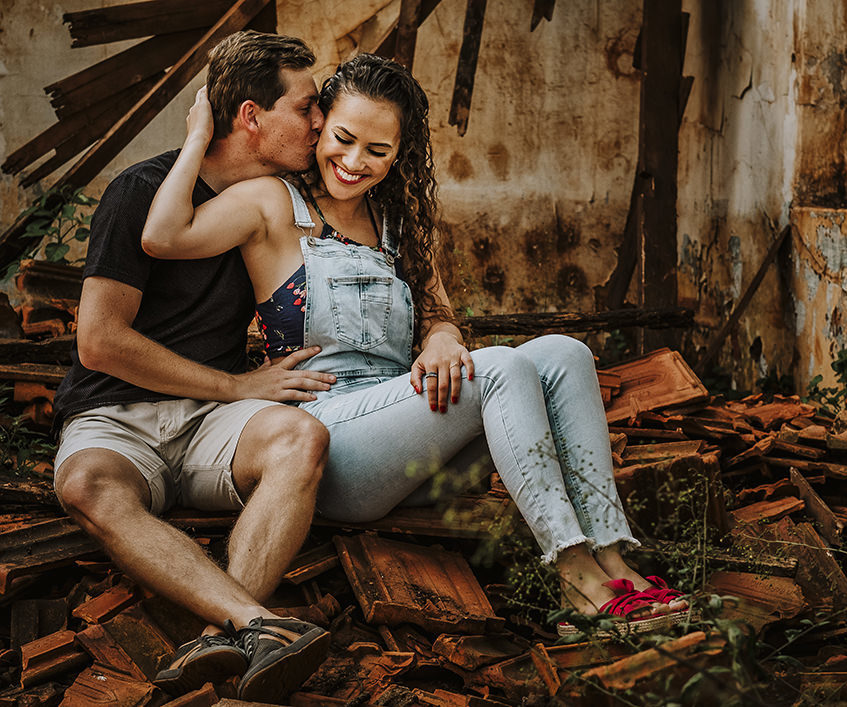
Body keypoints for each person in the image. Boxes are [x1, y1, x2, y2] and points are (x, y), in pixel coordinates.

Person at [142, 53, 691, 635]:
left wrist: (442, 339)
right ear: (320, 124)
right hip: (332, 445)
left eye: (377, 151)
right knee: (501, 368)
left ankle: (614, 559)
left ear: (400, 153)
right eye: (343, 139)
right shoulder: (272, 203)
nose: (354, 162)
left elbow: (439, 315)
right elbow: (163, 235)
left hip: (407, 438)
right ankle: (575, 577)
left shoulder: (399, 221)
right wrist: (197, 136)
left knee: (565, 353)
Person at [51, 31, 336, 699]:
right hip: (115, 414)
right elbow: (100, 341)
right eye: (305, 107)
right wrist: (236, 384)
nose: (319, 122)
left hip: (213, 423)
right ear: (250, 116)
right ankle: (261, 623)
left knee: (301, 438)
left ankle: (221, 637)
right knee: (87, 484)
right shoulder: (140, 191)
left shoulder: (279, 203)